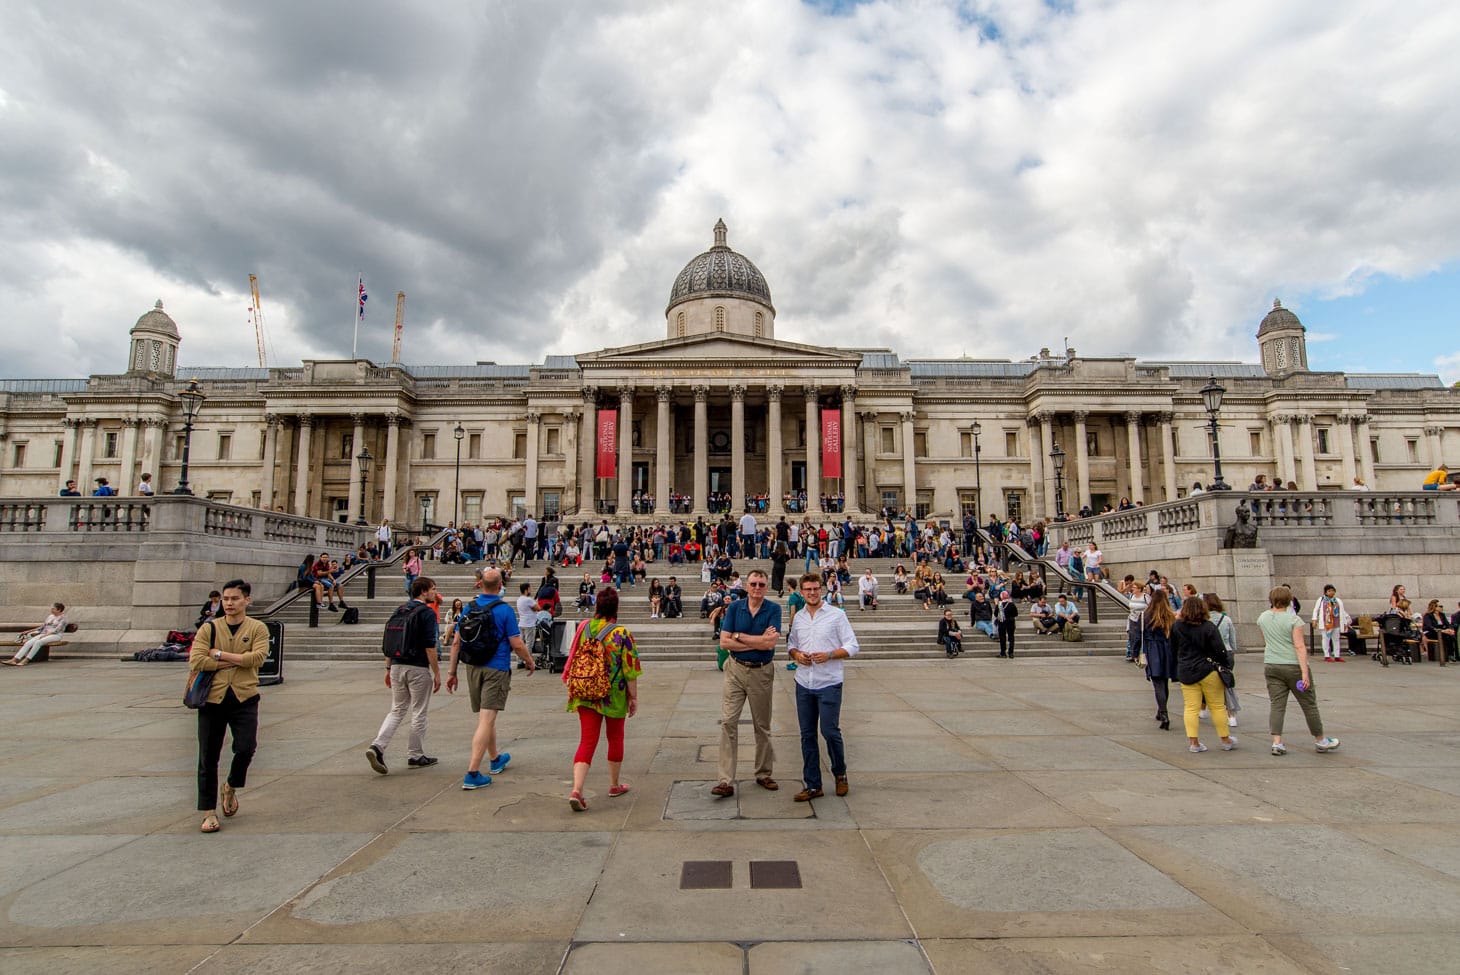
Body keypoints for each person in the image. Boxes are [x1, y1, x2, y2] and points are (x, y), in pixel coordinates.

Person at [189, 579, 270, 833]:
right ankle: (208, 812)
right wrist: (237, 660)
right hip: (212, 699)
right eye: (226, 599)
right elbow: (196, 660)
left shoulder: (258, 628)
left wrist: (219, 654)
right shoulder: (209, 628)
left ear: (247, 600)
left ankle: (231, 786)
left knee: (246, 748)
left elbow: (257, 658)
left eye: (235, 598)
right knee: (208, 757)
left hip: (244, 698)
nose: (229, 603)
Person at [446, 567, 536, 790]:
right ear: (499, 586)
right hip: (496, 668)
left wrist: (451, 672)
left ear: (480, 585)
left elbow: (456, 642)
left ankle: (495, 758)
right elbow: (516, 643)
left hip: (473, 667)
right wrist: (530, 660)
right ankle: (472, 772)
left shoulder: (469, 607)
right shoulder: (504, 610)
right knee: (486, 719)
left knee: (488, 715)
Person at [563, 587, 641, 811]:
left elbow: (574, 655)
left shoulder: (584, 627)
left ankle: (577, 789)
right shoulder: (622, 633)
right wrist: (633, 697)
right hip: (612, 694)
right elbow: (631, 669)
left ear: (597, 605)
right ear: (616, 607)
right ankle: (614, 785)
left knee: (587, 741)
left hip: (586, 691)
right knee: (615, 738)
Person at [787, 571, 859, 801]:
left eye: (815, 588)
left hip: (829, 681)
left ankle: (840, 773)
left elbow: (852, 646)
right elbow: (791, 644)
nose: (812, 593)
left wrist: (829, 655)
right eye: (807, 589)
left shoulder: (836, 615)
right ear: (801, 592)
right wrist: (797, 655)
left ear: (822, 589)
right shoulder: (798, 617)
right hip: (804, 682)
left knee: (829, 731)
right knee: (807, 735)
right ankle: (813, 784)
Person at [713, 568, 782, 798]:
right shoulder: (734, 607)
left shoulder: (773, 609)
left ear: (766, 586)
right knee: (728, 722)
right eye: (753, 584)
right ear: (747, 585)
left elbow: (770, 644)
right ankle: (725, 780)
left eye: (761, 584)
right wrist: (756, 641)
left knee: (762, 724)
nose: (757, 588)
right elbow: (724, 642)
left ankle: (763, 772)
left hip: (761, 672)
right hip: (735, 669)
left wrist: (738, 636)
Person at [366, 577, 442, 774]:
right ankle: (415, 754)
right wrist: (437, 672)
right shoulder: (426, 613)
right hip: (417, 667)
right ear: (423, 592)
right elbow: (429, 646)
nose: (435, 593)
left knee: (397, 710)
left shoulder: (399, 610)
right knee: (419, 711)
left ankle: (378, 746)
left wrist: (388, 667)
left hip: (397, 665)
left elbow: (391, 639)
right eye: (433, 589)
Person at [1260, 586, 1340, 756]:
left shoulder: (1263, 618)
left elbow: (1266, 641)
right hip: (1293, 665)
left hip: (1272, 664)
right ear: (1289, 600)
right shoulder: (1293, 620)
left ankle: (1277, 742)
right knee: (1309, 704)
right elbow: (1299, 646)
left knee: (1277, 704)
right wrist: (1304, 672)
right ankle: (1320, 740)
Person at [1171, 597, 1237, 753]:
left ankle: (1194, 743)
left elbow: (1173, 649)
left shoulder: (1177, 627)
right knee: (1217, 707)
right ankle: (1225, 739)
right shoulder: (1208, 627)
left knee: (1191, 708)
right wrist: (1224, 664)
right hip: (1208, 670)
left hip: (1186, 670)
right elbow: (1219, 649)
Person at [1204, 592, 1240, 728]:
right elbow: (1233, 641)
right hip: (1227, 652)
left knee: (1208, 684)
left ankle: (1206, 709)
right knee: (1227, 683)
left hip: (1210, 654)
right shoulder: (1226, 619)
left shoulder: (1204, 620)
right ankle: (1231, 715)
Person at [1143, 588, 1177, 730]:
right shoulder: (1170, 615)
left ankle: (1164, 713)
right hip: (1167, 649)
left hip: (1153, 649)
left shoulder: (1147, 614)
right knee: (1164, 682)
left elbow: (1141, 634)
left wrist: (1136, 652)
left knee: (1158, 683)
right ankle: (1161, 710)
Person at [4, 602, 68, 666]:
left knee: (38, 642)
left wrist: (45, 635)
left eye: (53, 609)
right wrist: (28, 631)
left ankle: (26, 659)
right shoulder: (50, 616)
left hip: (55, 635)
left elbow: (57, 630)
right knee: (28, 643)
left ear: (59, 610)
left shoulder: (63, 618)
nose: (51, 610)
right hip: (44, 634)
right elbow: (42, 627)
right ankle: (15, 659)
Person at [1311, 584, 1350, 662]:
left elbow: (1342, 612)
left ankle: (1337, 655)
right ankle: (1327, 655)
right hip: (1326, 623)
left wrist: (1345, 623)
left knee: (1336, 639)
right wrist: (1314, 620)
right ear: (1325, 592)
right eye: (1329, 591)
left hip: (1336, 622)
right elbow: (1316, 610)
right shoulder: (1321, 600)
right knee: (1326, 639)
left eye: (1332, 590)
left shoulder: (1337, 601)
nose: (1331, 592)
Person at [995, 590, 1019, 658]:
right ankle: (1011, 653)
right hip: (1010, 622)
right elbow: (1016, 614)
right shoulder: (1011, 604)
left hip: (1001, 622)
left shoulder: (999, 604)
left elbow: (995, 614)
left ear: (1001, 597)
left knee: (1002, 638)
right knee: (1011, 637)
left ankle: (1003, 653)